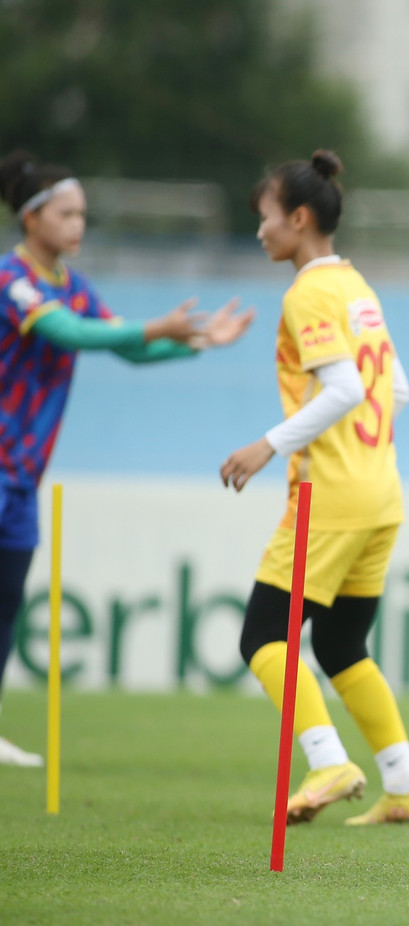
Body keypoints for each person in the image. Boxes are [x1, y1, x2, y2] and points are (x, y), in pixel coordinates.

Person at [0, 149, 252, 767]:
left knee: (6, 603)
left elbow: (127, 350)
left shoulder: (74, 287)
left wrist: (196, 343)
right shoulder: (14, 280)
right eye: (67, 213)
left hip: (24, 478)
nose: (78, 225)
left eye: (83, 214)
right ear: (31, 217)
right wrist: (152, 329)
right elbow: (74, 335)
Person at [220, 150, 409, 826]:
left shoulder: (308, 292)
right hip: (381, 490)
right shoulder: (356, 288)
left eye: (267, 218)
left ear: (300, 219)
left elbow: (342, 388)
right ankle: (405, 788)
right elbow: (394, 389)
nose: (260, 232)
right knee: (341, 646)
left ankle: (328, 762)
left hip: (332, 495)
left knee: (261, 638)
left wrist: (268, 443)